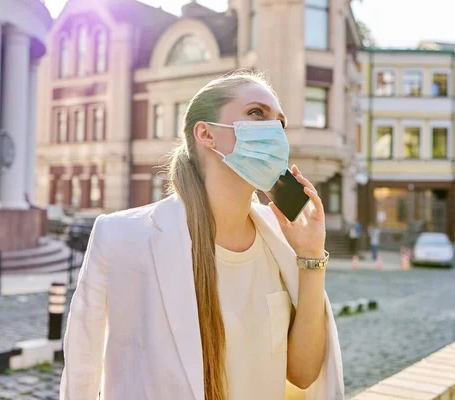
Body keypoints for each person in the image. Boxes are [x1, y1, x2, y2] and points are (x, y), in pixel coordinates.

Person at [59, 71, 343, 400]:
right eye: (256, 113)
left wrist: (310, 255)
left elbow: (304, 374)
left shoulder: (283, 238)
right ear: (206, 134)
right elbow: (81, 368)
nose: (274, 131)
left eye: (280, 122)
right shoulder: (122, 236)